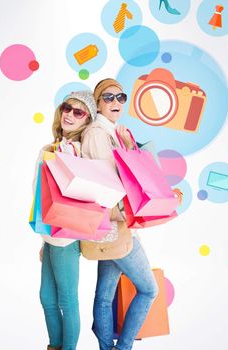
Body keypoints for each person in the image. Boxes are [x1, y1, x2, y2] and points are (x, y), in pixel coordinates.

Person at [81, 79, 158, 350]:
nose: (115, 102)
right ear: (97, 101)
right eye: (108, 97)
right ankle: (122, 347)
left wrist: (127, 145)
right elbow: (110, 182)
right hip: (116, 223)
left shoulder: (111, 131)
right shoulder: (98, 133)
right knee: (149, 290)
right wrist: (129, 149)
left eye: (120, 97)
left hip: (113, 225)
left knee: (104, 296)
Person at [32, 91, 97, 350]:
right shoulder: (54, 145)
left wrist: (69, 153)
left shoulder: (75, 149)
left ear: (87, 121)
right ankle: (54, 346)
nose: (70, 114)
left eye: (79, 112)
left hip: (65, 238)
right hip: (50, 236)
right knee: (47, 298)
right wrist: (43, 239)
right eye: (68, 108)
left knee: (67, 300)